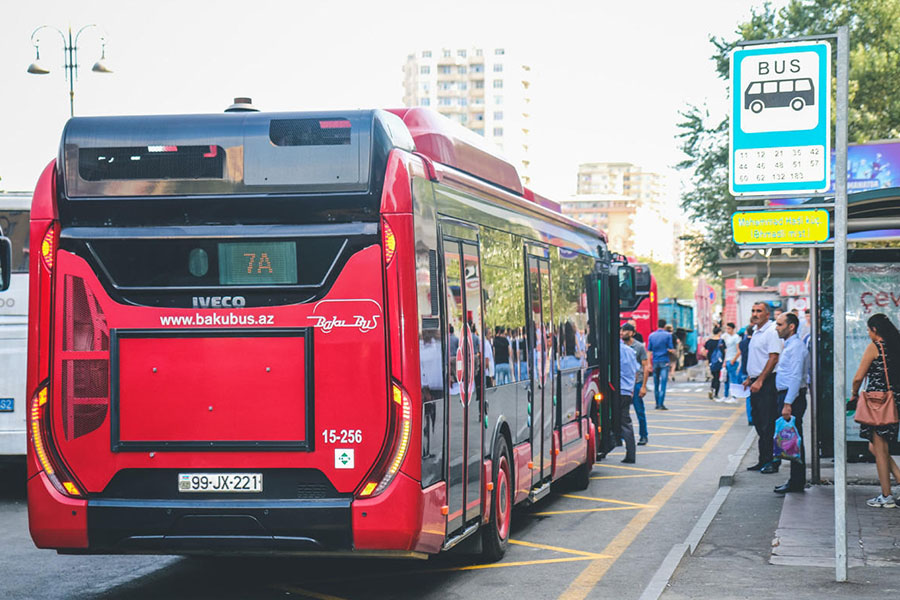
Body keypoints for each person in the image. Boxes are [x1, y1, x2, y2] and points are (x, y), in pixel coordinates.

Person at [850, 313, 900, 508]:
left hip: (878, 403)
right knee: (877, 447)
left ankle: (886, 496)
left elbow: (858, 377)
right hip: (895, 401)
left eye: (868, 330)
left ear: (875, 330)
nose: (868, 334)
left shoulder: (875, 347)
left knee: (879, 448)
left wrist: (854, 393)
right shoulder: (896, 346)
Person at [744, 302, 783, 474]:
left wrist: (759, 380)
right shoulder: (756, 331)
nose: (755, 314)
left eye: (759, 311)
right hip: (756, 381)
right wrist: (750, 378)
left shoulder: (771, 331)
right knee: (759, 422)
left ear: (768, 315)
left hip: (767, 382)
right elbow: (757, 358)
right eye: (753, 311)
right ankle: (762, 460)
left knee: (768, 424)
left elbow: (773, 358)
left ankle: (772, 462)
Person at [773, 312, 809, 494]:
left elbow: (795, 376)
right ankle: (795, 480)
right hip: (788, 395)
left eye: (780, 324)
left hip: (792, 397)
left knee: (795, 439)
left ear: (791, 326)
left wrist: (788, 403)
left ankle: (796, 482)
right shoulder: (790, 345)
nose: (777, 328)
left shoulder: (796, 347)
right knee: (792, 439)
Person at [622, 322, 651, 445]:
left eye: (627, 331)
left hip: (636, 383)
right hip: (624, 384)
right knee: (623, 412)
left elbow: (645, 367)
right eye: (622, 331)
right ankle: (622, 436)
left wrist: (643, 386)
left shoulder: (638, 347)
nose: (623, 333)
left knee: (639, 411)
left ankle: (644, 436)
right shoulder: (620, 346)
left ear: (633, 333)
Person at [618, 336, 640, 463]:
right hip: (627, 391)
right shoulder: (630, 351)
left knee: (623, 421)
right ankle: (630, 453)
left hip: (618, 391)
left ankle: (630, 454)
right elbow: (636, 371)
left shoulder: (615, 351)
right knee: (626, 422)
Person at [647, 319, 675, 410]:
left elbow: (649, 351)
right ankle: (660, 403)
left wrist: (648, 364)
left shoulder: (651, 335)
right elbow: (670, 348)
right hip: (664, 361)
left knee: (656, 383)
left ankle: (656, 403)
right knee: (663, 383)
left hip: (655, 361)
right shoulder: (667, 335)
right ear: (664, 326)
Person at [721, 322, 741, 403]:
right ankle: (725, 396)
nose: (727, 330)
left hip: (733, 360)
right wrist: (725, 361)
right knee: (726, 379)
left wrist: (733, 360)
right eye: (726, 328)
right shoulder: (726, 337)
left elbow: (739, 351)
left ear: (733, 329)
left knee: (733, 379)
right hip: (728, 359)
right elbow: (726, 350)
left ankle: (734, 397)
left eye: (729, 328)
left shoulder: (736, 337)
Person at [738, 324, 754, 425]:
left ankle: (750, 418)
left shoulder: (742, 343)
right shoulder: (755, 342)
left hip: (745, 370)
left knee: (748, 397)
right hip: (755, 372)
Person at [704, 327, 725, 401]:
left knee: (714, 376)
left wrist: (708, 358)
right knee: (717, 377)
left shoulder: (709, 341)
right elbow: (724, 352)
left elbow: (703, 350)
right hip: (719, 362)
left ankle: (711, 389)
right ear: (719, 332)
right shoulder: (721, 341)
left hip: (711, 362)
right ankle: (716, 394)